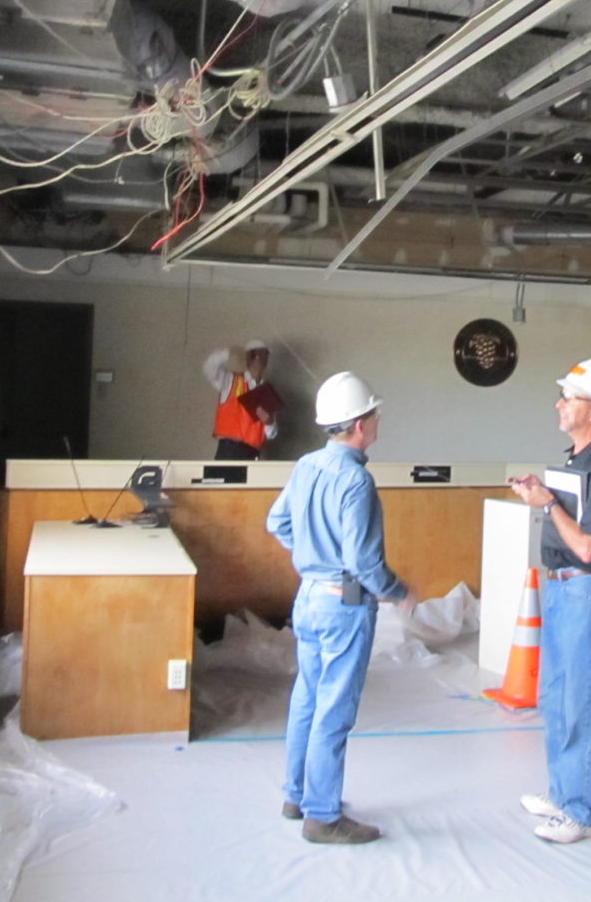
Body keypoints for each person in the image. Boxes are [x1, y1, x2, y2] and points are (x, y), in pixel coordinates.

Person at [266, 371, 417, 844]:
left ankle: (298, 795)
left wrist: (313, 560)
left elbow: (278, 522)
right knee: (334, 709)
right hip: (343, 603)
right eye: (373, 415)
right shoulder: (357, 482)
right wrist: (397, 591)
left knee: (307, 699)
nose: (377, 422)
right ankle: (323, 816)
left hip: (309, 596)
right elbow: (363, 564)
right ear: (357, 425)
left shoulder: (307, 465)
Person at [506, 357, 591, 845]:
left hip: (585, 591)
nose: (560, 404)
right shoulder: (578, 459)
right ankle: (563, 793)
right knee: (556, 697)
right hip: (561, 589)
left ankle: (584, 811)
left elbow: (589, 547)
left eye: (570, 397)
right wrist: (541, 492)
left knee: (582, 702)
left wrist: (547, 504)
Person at [203, 340, 277, 459]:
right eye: (259, 355)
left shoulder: (266, 392)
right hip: (229, 450)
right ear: (250, 357)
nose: (262, 360)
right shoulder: (231, 380)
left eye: (264, 356)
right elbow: (209, 368)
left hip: (252, 453)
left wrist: (269, 422)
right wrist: (227, 353)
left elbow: (271, 433)